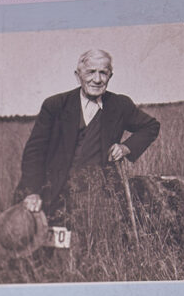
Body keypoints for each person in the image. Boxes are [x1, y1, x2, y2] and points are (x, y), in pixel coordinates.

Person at [16, 48, 160, 223]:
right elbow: (34, 152)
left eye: (103, 73)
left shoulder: (119, 105)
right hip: (52, 193)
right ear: (78, 75)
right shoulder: (55, 105)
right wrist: (32, 192)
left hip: (99, 197)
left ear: (110, 77)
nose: (97, 79)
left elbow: (150, 126)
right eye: (91, 72)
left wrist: (126, 147)